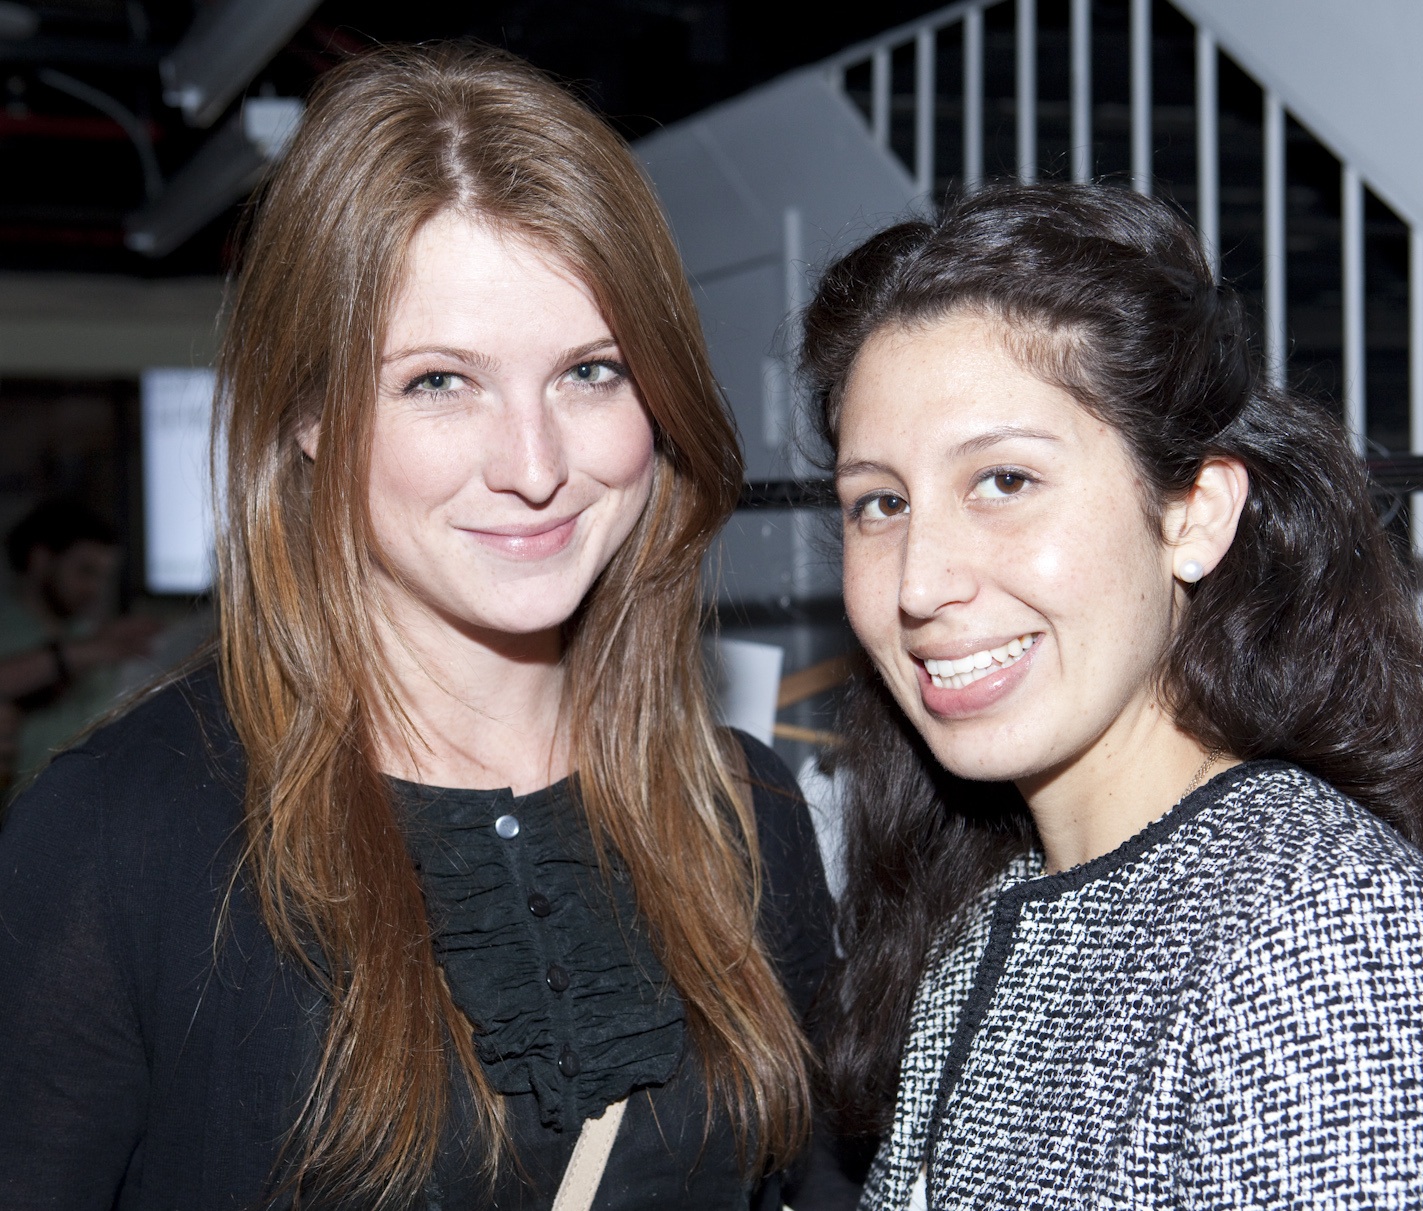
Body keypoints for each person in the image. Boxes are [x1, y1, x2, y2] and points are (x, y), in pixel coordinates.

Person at [0, 44, 844, 1211]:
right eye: (440, 381)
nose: (536, 466)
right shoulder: (114, 838)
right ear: (305, 413)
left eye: (591, 371)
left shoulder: (743, 815)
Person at [803, 184, 1423, 1208]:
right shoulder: (986, 912)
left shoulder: (1325, 943)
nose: (919, 581)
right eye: (880, 502)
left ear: (1194, 514)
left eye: (1005, 481)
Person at [0, 499, 158, 789]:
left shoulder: (91, 634)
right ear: (41, 560)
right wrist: (84, 653)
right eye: (85, 571)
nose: (95, 589)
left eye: (103, 576)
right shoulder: (10, 626)